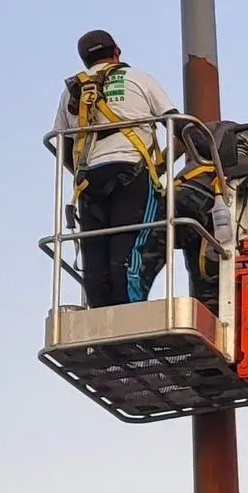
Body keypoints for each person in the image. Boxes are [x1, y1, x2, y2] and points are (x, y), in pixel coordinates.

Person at [54, 31, 177, 308]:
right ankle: (130, 321)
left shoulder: (71, 91)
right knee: (128, 254)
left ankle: (100, 320)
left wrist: (80, 171)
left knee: (94, 259)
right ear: (117, 51)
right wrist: (168, 162)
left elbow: (60, 144)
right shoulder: (138, 79)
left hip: (88, 181)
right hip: (131, 172)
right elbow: (175, 122)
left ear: (85, 60)